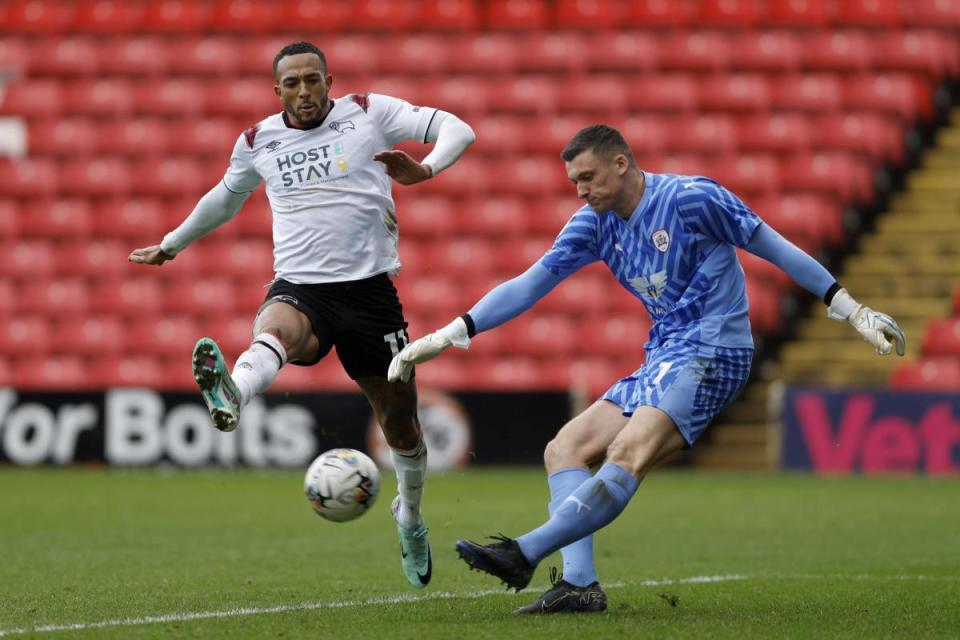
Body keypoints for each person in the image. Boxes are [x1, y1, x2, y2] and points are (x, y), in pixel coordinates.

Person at [387, 124, 905, 613]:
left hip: (715, 350)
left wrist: (851, 309)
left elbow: (775, 247)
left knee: (626, 451)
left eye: (587, 178)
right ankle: (579, 586)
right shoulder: (593, 224)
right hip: (664, 355)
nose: (580, 191)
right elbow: (530, 283)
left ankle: (523, 551)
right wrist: (452, 332)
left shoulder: (692, 199)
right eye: (573, 182)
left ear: (621, 163)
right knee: (564, 448)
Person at [128, 41, 476, 590]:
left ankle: (409, 517)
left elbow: (460, 129)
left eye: (312, 80)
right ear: (277, 91)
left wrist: (425, 169)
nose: (303, 91)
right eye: (291, 83)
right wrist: (172, 244)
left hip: (369, 295)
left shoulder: (369, 111)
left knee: (402, 425)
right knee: (275, 329)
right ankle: (233, 394)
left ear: (329, 81)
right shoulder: (256, 140)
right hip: (301, 287)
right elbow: (225, 197)